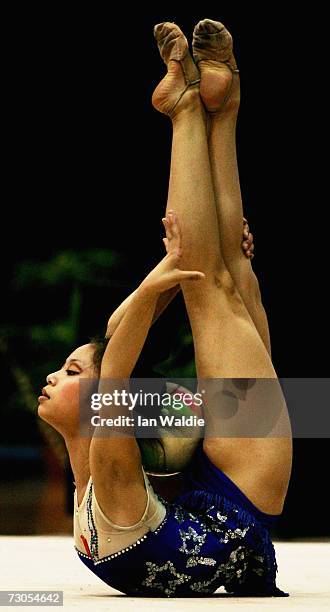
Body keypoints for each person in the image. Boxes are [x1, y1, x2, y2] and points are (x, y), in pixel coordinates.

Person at [38, 19, 292, 597]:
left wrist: (160, 284)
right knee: (212, 280)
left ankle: (220, 107)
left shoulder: (91, 478)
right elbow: (116, 368)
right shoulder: (109, 460)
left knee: (227, 270)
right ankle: (184, 110)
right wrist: (163, 279)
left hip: (225, 479)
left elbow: (114, 345)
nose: (53, 375)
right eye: (73, 372)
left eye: (68, 370)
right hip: (242, 490)